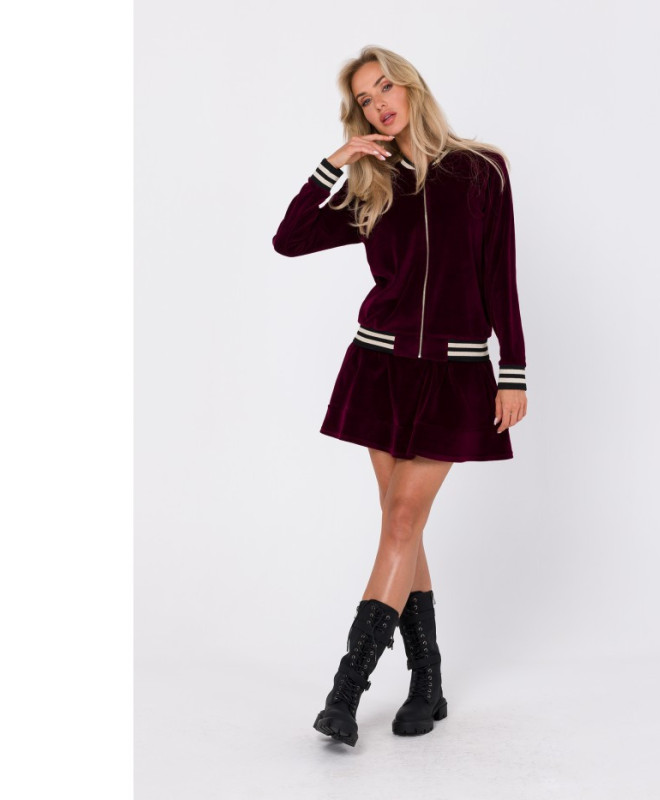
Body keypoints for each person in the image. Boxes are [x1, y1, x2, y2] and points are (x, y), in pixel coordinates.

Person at [272, 46, 528, 747]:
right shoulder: (371, 183)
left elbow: (500, 273)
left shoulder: (482, 170)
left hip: (454, 372)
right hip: (380, 368)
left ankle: (344, 694)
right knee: (401, 526)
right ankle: (427, 682)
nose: (379, 102)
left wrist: (513, 370)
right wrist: (335, 162)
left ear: (411, 86)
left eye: (385, 86)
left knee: (403, 518)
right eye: (365, 98)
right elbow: (288, 239)